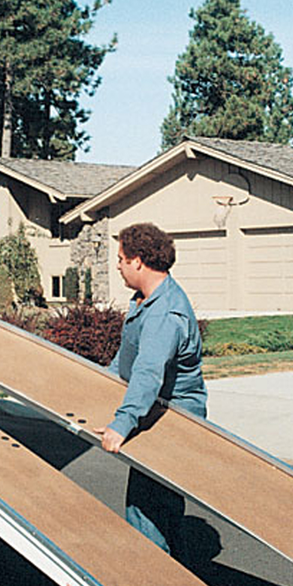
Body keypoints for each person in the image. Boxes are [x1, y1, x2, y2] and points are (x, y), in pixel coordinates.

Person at [95, 222, 206, 556]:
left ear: (138, 261)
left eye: (121, 259)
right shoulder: (145, 299)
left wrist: (123, 422)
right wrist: (97, 385)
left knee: (146, 509)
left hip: (173, 415)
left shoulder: (164, 314)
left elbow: (148, 371)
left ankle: (149, 577)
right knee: (160, 506)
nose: (118, 266)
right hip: (154, 406)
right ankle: (174, 573)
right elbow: (128, 356)